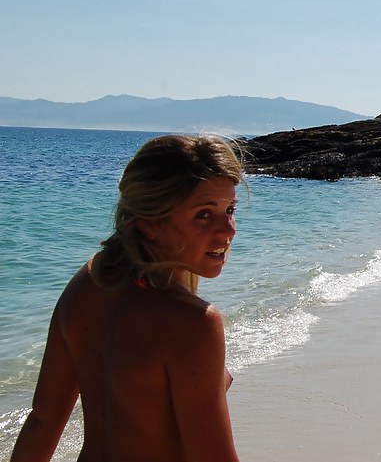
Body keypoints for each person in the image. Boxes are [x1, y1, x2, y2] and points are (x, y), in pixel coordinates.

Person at [12, 135, 245, 462]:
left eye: (230, 209)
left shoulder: (88, 283)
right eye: (204, 215)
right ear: (149, 223)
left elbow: (42, 422)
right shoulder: (194, 324)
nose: (229, 229)